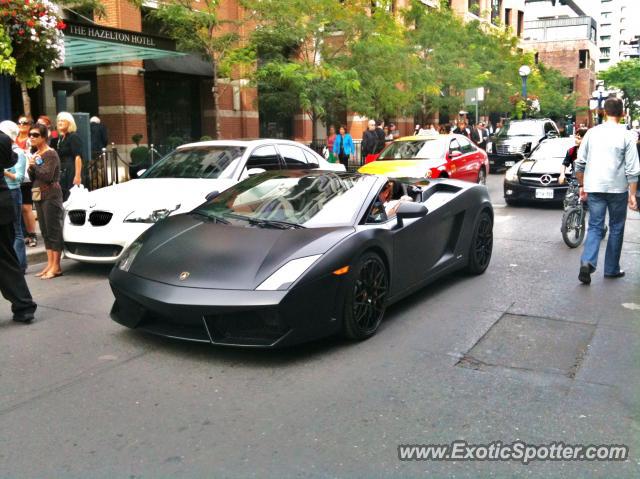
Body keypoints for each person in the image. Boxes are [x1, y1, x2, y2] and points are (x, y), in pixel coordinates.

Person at [575, 97, 640, 284]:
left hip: (594, 187)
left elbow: (579, 164)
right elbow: (633, 169)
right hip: (618, 190)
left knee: (595, 226)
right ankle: (611, 269)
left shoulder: (591, 133)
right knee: (616, 227)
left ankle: (587, 262)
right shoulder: (626, 135)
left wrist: (582, 185)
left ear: (603, 112)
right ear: (623, 114)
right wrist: (633, 194)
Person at [0, 128, 37, 322]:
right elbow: (10, 160)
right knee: (6, 257)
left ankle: (24, 305)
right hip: (2, 203)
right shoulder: (3, 139)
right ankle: (24, 305)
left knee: (5, 257)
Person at [28, 123, 65, 280]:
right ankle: (50, 264)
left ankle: (56, 266)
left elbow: (48, 176)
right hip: (39, 194)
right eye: (31, 135)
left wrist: (35, 165)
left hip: (51, 194)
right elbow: (34, 177)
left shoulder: (50, 154)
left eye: (35, 135)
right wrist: (31, 168)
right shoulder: (36, 153)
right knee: (45, 231)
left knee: (53, 230)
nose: (32, 137)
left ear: (44, 137)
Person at [1, 121, 28, 272]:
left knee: (17, 230)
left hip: (13, 192)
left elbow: (18, 178)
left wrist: (2, 171)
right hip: (5, 193)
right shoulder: (4, 150)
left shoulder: (18, 153)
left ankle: (20, 265)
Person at [15, 115, 37, 247]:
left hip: (27, 177)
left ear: (30, 125)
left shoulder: (31, 140)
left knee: (27, 207)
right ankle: (23, 234)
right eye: (20, 123)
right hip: (14, 177)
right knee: (19, 207)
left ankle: (32, 234)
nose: (22, 125)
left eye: (25, 123)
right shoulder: (13, 139)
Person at [55, 111, 84, 202]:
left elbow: (78, 157)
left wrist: (77, 175)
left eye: (63, 121)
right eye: (59, 121)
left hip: (71, 170)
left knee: (71, 196)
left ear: (69, 123)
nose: (60, 122)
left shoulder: (73, 137)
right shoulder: (61, 138)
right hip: (63, 170)